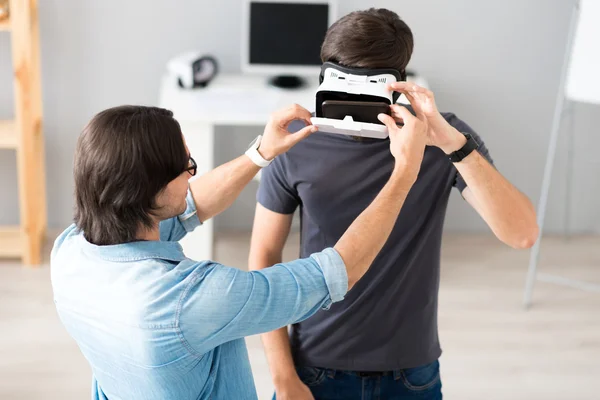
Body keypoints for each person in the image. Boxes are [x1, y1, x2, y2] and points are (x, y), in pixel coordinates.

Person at [249, 8, 539, 400]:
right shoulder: (295, 141)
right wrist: (284, 378)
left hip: (410, 371)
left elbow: (521, 234)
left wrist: (454, 145)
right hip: (313, 367)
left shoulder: (442, 139)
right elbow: (264, 259)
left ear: (397, 84)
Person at [50, 103, 429, 400]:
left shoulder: (71, 250)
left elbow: (191, 204)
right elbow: (337, 270)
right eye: (187, 167)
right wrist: (405, 172)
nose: (192, 175)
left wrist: (261, 153)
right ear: (149, 192)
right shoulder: (189, 299)